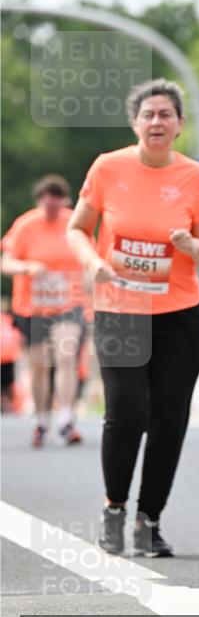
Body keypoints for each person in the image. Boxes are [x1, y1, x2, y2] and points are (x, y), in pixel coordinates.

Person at [67, 78, 199, 556]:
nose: (157, 121)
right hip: (121, 310)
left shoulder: (194, 176)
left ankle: (148, 519)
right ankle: (114, 507)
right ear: (135, 123)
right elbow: (77, 228)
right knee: (127, 411)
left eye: (165, 114)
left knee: (169, 419)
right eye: (148, 114)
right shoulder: (108, 168)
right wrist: (92, 262)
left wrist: (193, 246)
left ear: (179, 125)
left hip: (178, 314)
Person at [1, 175, 86, 447]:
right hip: (33, 307)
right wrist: (28, 267)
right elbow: (6, 263)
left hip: (68, 303)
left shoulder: (74, 223)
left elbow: (89, 257)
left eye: (57, 207)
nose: (52, 212)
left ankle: (66, 420)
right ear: (39, 202)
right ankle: (40, 421)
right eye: (48, 206)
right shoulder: (25, 225)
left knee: (66, 356)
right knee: (40, 364)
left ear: (65, 203)